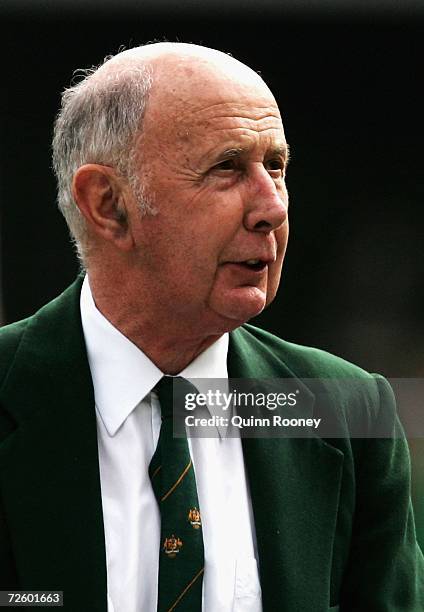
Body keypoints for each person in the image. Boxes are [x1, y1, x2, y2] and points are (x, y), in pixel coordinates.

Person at [0, 42, 423, 612]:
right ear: (107, 204)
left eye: (276, 166)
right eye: (227, 167)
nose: (272, 207)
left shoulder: (341, 408)